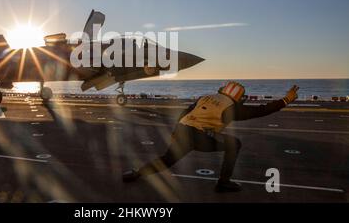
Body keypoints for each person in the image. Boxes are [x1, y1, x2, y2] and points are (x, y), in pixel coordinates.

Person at [122, 81, 299, 192]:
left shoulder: (205, 97)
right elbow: (260, 110)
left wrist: (176, 131)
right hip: (199, 136)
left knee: (167, 160)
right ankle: (224, 182)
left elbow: (185, 112)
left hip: (182, 130)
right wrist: (285, 100)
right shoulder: (231, 107)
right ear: (237, 96)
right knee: (234, 144)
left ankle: (136, 173)